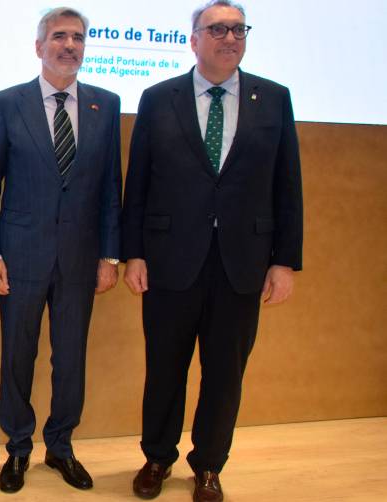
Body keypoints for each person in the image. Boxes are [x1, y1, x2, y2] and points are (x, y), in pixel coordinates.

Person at [121, 2, 303, 501]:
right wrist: (132, 252)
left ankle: (208, 465)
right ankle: (157, 457)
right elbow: (138, 183)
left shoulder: (275, 98)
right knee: (165, 369)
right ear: (193, 38)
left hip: (242, 263)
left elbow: (288, 185)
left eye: (238, 29)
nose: (230, 37)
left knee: (225, 373)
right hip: (168, 259)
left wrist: (284, 260)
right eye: (217, 29)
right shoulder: (159, 98)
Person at [0, 6, 122, 494]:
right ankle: (18, 448)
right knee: (18, 356)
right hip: (19, 256)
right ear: (39, 47)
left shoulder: (106, 104)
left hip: (81, 259)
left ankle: (60, 446)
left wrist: (110, 256)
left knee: (71, 358)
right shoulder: (8, 101)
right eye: (59, 37)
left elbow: (110, 190)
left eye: (78, 37)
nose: (69, 45)